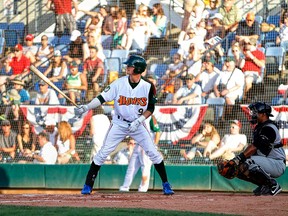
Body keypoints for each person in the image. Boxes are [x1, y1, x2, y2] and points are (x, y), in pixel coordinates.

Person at [75, 55, 174, 195]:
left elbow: (151, 109)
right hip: (119, 123)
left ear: (138, 69)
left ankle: (166, 184)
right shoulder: (119, 83)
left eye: (130, 66)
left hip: (138, 124)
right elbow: (102, 98)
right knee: (103, 153)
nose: (127, 67)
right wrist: (87, 107)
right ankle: (87, 185)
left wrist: (139, 121)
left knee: (153, 153)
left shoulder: (148, 86)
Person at [225, 102, 286, 196]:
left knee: (248, 162)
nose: (253, 115)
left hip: (277, 163)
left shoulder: (269, 128)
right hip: (267, 160)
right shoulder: (259, 127)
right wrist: (238, 162)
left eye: (255, 112)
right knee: (237, 168)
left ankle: (273, 185)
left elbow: (254, 147)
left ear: (263, 114)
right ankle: (264, 185)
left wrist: (237, 158)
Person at [119, 114, 160, 192]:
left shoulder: (150, 116)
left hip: (147, 145)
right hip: (137, 145)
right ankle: (125, 186)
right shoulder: (134, 116)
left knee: (145, 167)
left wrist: (154, 145)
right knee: (131, 167)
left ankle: (143, 188)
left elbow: (157, 131)